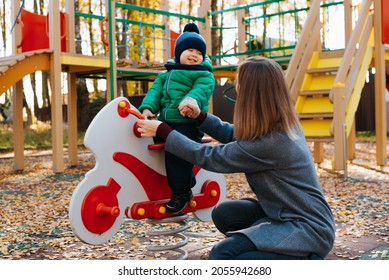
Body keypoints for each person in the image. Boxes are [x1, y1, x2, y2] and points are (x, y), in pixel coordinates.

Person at [136, 56, 335, 260]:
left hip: (307, 230)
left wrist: (164, 131)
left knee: (223, 255)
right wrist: (200, 117)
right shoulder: (283, 123)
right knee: (225, 214)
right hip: (285, 213)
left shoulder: (272, 143)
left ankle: (305, 261)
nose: (236, 88)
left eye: (239, 83)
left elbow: (208, 156)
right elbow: (234, 134)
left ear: (251, 93)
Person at [137, 22, 215, 213]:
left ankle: (181, 192)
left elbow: (201, 92)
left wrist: (191, 101)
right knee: (142, 140)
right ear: (178, 52)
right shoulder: (166, 74)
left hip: (188, 124)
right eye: (189, 49)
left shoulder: (204, 74)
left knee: (176, 149)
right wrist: (147, 108)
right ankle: (147, 182)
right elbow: (155, 92)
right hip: (165, 122)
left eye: (198, 52)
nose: (194, 54)